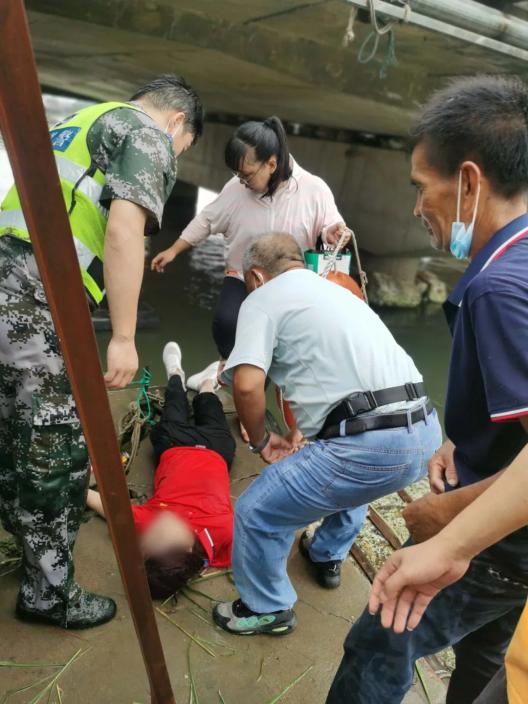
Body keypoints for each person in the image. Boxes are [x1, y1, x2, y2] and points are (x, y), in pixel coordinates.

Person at [325, 75, 528, 704]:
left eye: (421, 188)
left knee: (381, 642)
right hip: (510, 547)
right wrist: (454, 438)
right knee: (486, 652)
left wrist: (447, 526)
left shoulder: (499, 289)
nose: (417, 207)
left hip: (498, 542)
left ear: (468, 182)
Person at [0, 75, 204, 628]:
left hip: (6, 274)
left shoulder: (85, 120)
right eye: (182, 151)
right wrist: (121, 336)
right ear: (177, 123)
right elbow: (123, 231)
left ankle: (22, 533)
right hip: (33, 293)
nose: (175, 158)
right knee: (55, 451)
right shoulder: (148, 134)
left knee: (9, 427)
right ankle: (48, 595)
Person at [210, 233, 441, 636]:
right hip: (424, 433)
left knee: (257, 512)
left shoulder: (263, 298)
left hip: (371, 444)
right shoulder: (334, 291)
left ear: (256, 276)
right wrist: (302, 431)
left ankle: (267, 608)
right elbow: (328, 377)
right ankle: (325, 554)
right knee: (350, 480)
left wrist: (263, 440)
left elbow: (247, 386)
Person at [151, 116, 346, 363]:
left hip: (293, 283)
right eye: (237, 174)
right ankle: (233, 368)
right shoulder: (237, 188)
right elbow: (207, 220)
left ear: (272, 164)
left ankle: (262, 379)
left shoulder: (313, 189)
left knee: (290, 342)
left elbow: (332, 227)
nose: (242, 181)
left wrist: (331, 232)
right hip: (243, 277)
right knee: (226, 323)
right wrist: (174, 250)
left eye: (247, 175)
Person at [368, 445, 528, 704]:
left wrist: (451, 534)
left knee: (380, 648)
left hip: (495, 552)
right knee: (485, 659)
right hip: (517, 672)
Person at [87, 342, 235, 599]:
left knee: (174, 405)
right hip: (215, 451)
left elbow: (107, 507)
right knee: (211, 407)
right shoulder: (225, 531)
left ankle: (176, 374)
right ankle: (206, 383)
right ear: (189, 548)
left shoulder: (148, 525)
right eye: (160, 536)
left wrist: (74, 485)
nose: (157, 528)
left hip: (175, 445)